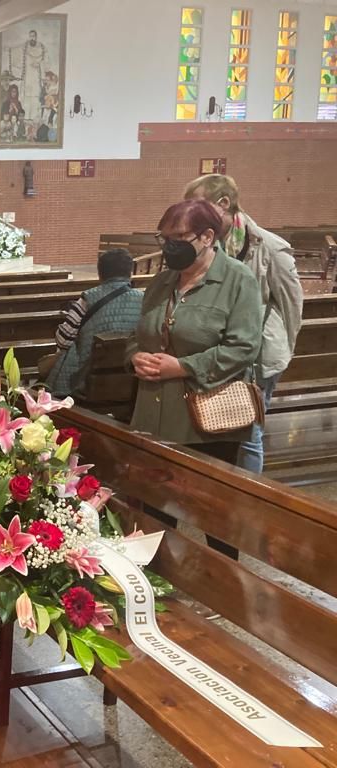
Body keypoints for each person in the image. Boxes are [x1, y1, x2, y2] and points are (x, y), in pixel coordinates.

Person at [128, 199, 263, 558]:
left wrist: (184, 366)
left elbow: (245, 348)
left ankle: (222, 591)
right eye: (164, 238)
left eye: (178, 238)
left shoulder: (237, 280)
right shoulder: (163, 281)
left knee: (214, 517)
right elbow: (137, 336)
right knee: (154, 510)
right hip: (153, 417)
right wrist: (134, 357)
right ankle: (159, 589)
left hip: (206, 422)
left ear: (206, 236)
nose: (169, 246)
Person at [183, 174, 303, 474]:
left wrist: (278, 352)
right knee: (216, 424)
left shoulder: (270, 248)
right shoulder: (205, 243)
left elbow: (292, 306)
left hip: (259, 358)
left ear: (223, 203)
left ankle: (247, 496)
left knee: (249, 433)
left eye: (197, 204)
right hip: (220, 353)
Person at [46, 249, 143, 398]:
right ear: (130, 273)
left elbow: (63, 340)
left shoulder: (88, 299)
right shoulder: (145, 300)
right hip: (130, 383)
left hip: (85, 381)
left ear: (100, 273)